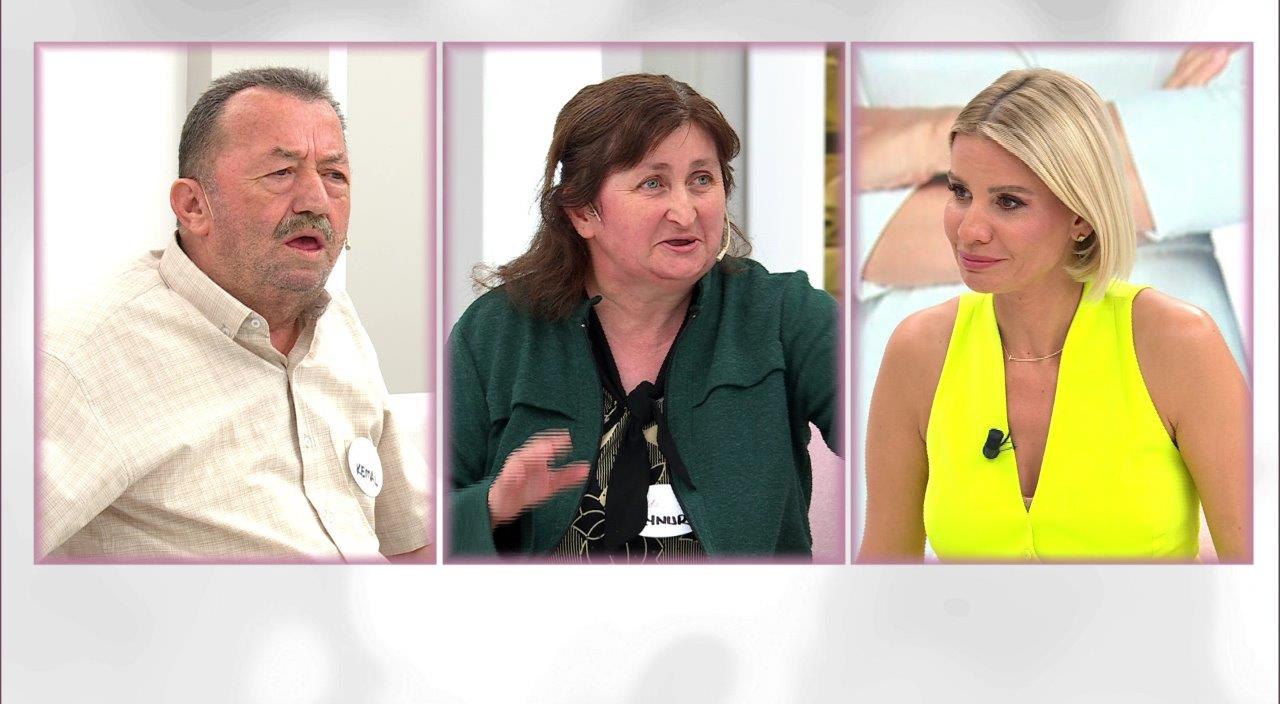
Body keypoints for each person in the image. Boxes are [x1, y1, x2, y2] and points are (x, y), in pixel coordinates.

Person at [858, 68, 1249, 562]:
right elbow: (883, 574)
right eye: (959, 192)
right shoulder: (917, 352)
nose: (969, 229)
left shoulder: (1178, 343)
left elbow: (1257, 577)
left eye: (1008, 202)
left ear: (1081, 216)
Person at [39, 67, 429, 561]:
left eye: (334, 175)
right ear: (193, 205)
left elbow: (408, 540)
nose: (316, 201)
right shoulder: (79, 360)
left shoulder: (336, 322)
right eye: (281, 173)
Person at [449, 73, 837, 561]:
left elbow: (894, 429)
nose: (685, 212)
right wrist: (492, 505)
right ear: (583, 212)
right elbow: (422, 529)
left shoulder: (785, 315)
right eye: (653, 183)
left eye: (702, 179)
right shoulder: (496, 332)